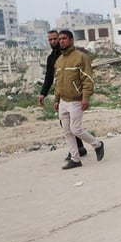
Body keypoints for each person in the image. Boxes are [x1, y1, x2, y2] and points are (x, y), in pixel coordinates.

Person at [52, 30, 105, 170]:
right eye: (60, 39)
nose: (61, 41)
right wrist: (56, 100)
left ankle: (97, 144)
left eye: (64, 39)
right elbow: (57, 82)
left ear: (71, 40)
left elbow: (88, 80)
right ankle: (75, 159)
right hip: (63, 101)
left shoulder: (81, 57)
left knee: (75, 129)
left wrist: (85, 97)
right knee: (67, 131)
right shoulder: (59, 60)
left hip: (76, 100)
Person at [38, 30, 86, 159]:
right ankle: (77, 149)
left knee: (74, 126)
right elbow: (49, 77)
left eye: (55, 39)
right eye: (51, 40)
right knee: (65, 124)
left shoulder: (71, 55)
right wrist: (43, 93)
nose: (54, 42)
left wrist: (84, 94)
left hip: (74, 94)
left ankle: (85, 147)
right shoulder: (52, 58)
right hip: (61, 94)